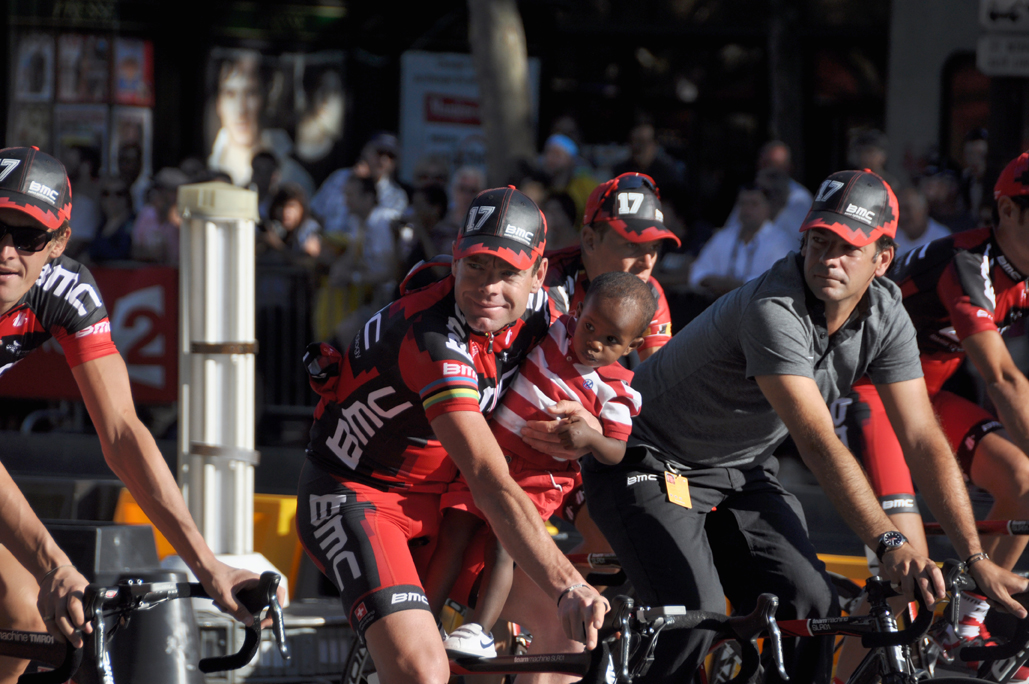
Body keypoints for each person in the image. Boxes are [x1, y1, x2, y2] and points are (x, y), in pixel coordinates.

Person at [562, 169, 1029, 684]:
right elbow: (817, 441)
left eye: (848, 248)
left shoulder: (887, 311)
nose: (829, 258)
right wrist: (892, 543)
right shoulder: (773, 308)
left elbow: (922, 437)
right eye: (820, 240)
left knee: (814, 607)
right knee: (694, 616)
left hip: (737, 469)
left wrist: (975, 556)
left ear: (882, 260)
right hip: (647, 459)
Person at [295, 186, 609, 684]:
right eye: (476, 266)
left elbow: (609, 377)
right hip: (359, 496)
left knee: (560, 637)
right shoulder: (432, 335)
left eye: (508, 272)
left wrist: (592, 427)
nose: (488, 287)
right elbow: (488, 478)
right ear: (455, 259)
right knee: (425, 671)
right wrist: (568, 583)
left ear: (539, 275)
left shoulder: (547, 313)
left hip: (446, 501)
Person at [0, 146, 275, 684]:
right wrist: (55, 565)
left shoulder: (65, 291)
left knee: (23, 617)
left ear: (58, 243)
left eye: (27, 237)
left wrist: (208, 565)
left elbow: (123, 433)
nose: (5, 251)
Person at [834, 152, 1029, 658]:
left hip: (926, 397)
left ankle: (963, 625)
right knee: (908, 574)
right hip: (870, 392)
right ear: (1008, 210)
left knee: (1024, 485)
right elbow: (1003, 378)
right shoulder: (968, 263)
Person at [423, 271, 653, 658]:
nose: (594, 343)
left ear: (634, 345)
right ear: (578, 311)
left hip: (537, 478)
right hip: (490, 454)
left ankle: (478, 629)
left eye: (612, 340)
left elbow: (615, 449)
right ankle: (425, 621)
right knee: (454, 532)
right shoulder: (555, 331)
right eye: (590, 326)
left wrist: (590, 438)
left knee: (504, 546)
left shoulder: (617, 388)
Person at [546, 172, 680, 366]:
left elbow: (659, 374)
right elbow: (547, 369)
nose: (647, 263)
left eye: (654, 247)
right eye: (632, 245)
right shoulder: (545, 277)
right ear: (590, 241)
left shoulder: (648, 291)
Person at [688, 181, 795, 297]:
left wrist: (736, 285)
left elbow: (776, 281)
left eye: (754, 204)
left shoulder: (780, 241)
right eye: (743, 203)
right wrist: (715, 282)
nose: (747, 209)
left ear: (768, 207)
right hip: (718, 303)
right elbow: (697, 271)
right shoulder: (724, 236)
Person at [541, 134, 597, 229]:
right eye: (547, 153)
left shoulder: (586, 186)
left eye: (557, 154)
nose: (550, 158)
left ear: (571, 159)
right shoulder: (538, 186)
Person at [893, 184, 950, 257]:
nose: (902, 215)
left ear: (923, 209)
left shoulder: (941, 239)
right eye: (898, 209)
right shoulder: (892, 236)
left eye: (907, 209)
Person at [88, 175, 135, 262]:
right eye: (106, 194)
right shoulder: (100, 224)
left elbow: (122, 254)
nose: (112, 198)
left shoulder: (135, 223)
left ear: (127, 197)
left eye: (119, 193)